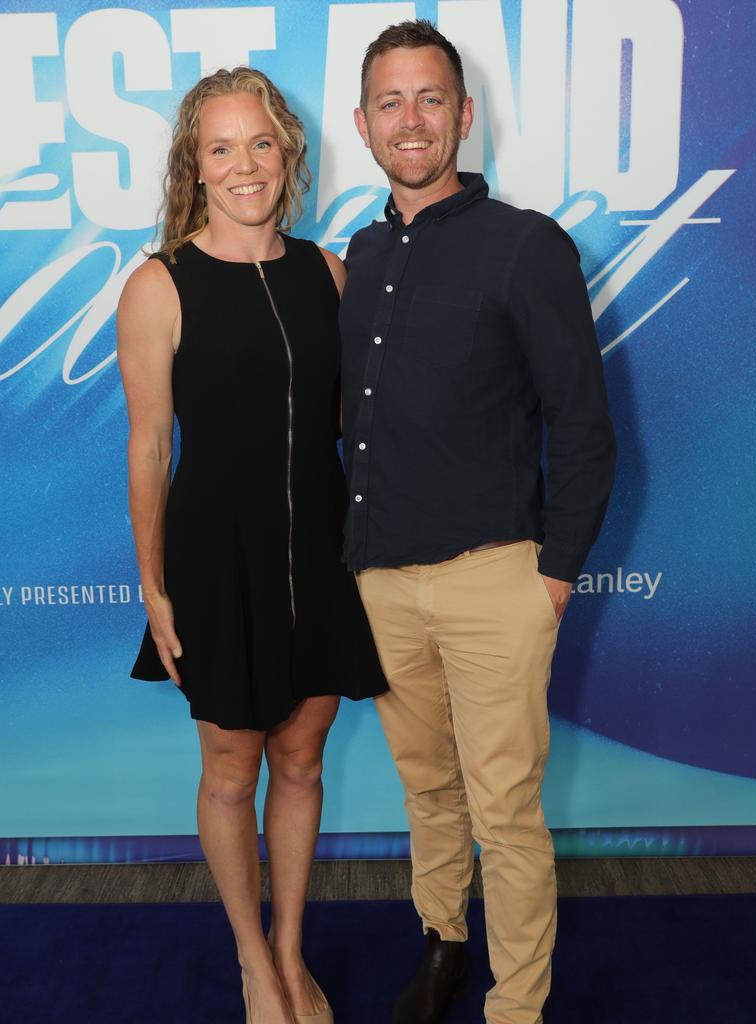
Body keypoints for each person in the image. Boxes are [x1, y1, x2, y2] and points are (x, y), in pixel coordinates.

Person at [341, 20, 616, 1024]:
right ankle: (444, 947)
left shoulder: (527, 246)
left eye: (429, 99)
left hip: (496, 580)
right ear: (362, 124)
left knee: (506, 812)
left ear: (462, 113)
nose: (411, 120)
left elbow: (585, 427)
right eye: (390, 102)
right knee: (428, 791)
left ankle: (517, 1007)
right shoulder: (360, 256)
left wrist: (551, 579)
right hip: (381, 584)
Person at [117, 66, 386, 1024]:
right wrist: (154, 588)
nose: (245, 165)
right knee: (231, 765)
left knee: (304, 757)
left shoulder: (329, 273)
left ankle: (288, 946)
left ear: (290, 154)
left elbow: (362, 425)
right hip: (213, 560)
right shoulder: (159, 284)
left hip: (321, 550)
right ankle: (249, 961)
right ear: (196, 162)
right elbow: (150, 447)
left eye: (261, 143)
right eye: (222, 147)